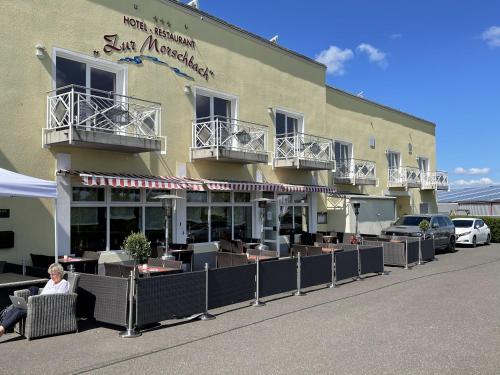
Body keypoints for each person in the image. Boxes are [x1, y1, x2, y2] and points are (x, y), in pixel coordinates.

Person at [0, 263, 69, 337]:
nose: (51, 276)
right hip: (38, 304)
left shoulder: (64, 283)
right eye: (50, 274)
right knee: (17, 307)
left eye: (53, 274)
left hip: (48, 308)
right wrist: (34, 301)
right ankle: (2, 327)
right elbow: (42, 294)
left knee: (19, 311)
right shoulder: (50, 282)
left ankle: (1, 330)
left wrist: (36, 302)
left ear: (59, 274)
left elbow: (57, 298)